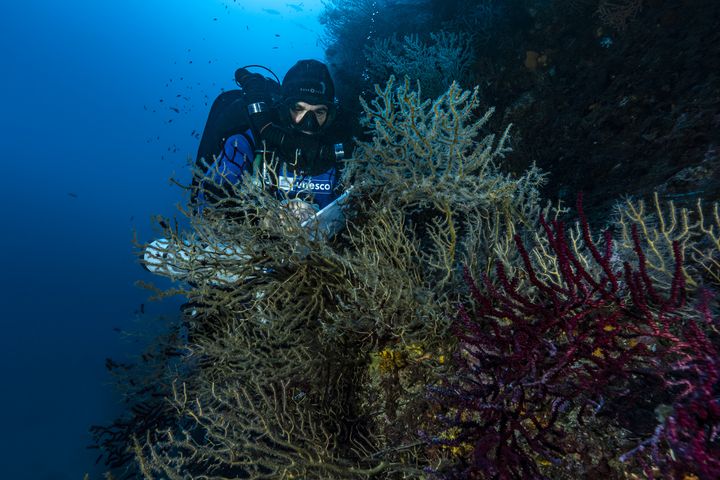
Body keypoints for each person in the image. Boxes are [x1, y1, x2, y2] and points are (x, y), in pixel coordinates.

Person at [193, 59, 351, 215]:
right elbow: (208, 203)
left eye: (319, 112)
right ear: (284, 108)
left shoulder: (343, 148)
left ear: (330, 115)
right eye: (298, 108)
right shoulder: (249, 142)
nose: (308, 123)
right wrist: (265, 220)